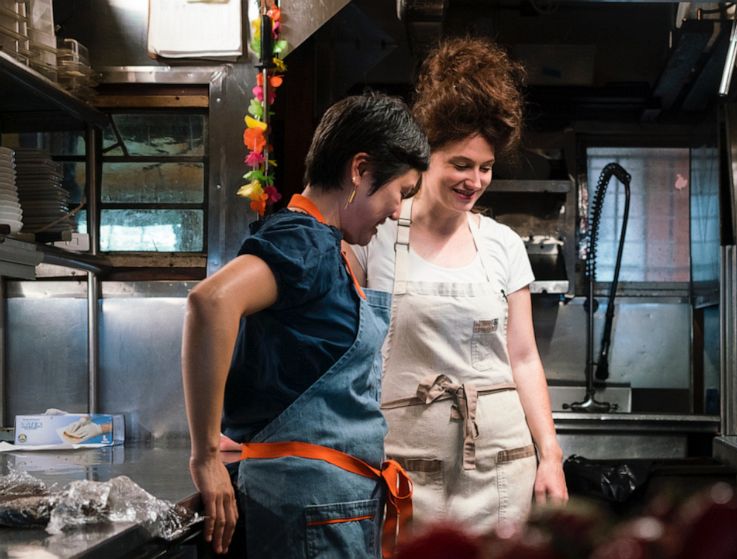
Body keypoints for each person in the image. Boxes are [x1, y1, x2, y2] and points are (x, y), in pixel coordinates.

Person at [182, 92, 429, 558]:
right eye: (401, 192)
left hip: (327, 508)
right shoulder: (305, 242)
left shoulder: (325, 246)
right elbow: (210, 303)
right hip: (313, 513)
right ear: (359, 170)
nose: (398, 211)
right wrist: (205, 457)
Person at [349, 37, 568, 533]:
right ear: (425, 158)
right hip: (401, 469)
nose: (475, 181)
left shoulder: (503, 246)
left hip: (501, 468)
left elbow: (525, 358)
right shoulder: (375, 237)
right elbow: (351, 351)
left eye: (485, 167)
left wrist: (550, 456)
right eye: (461, 165)